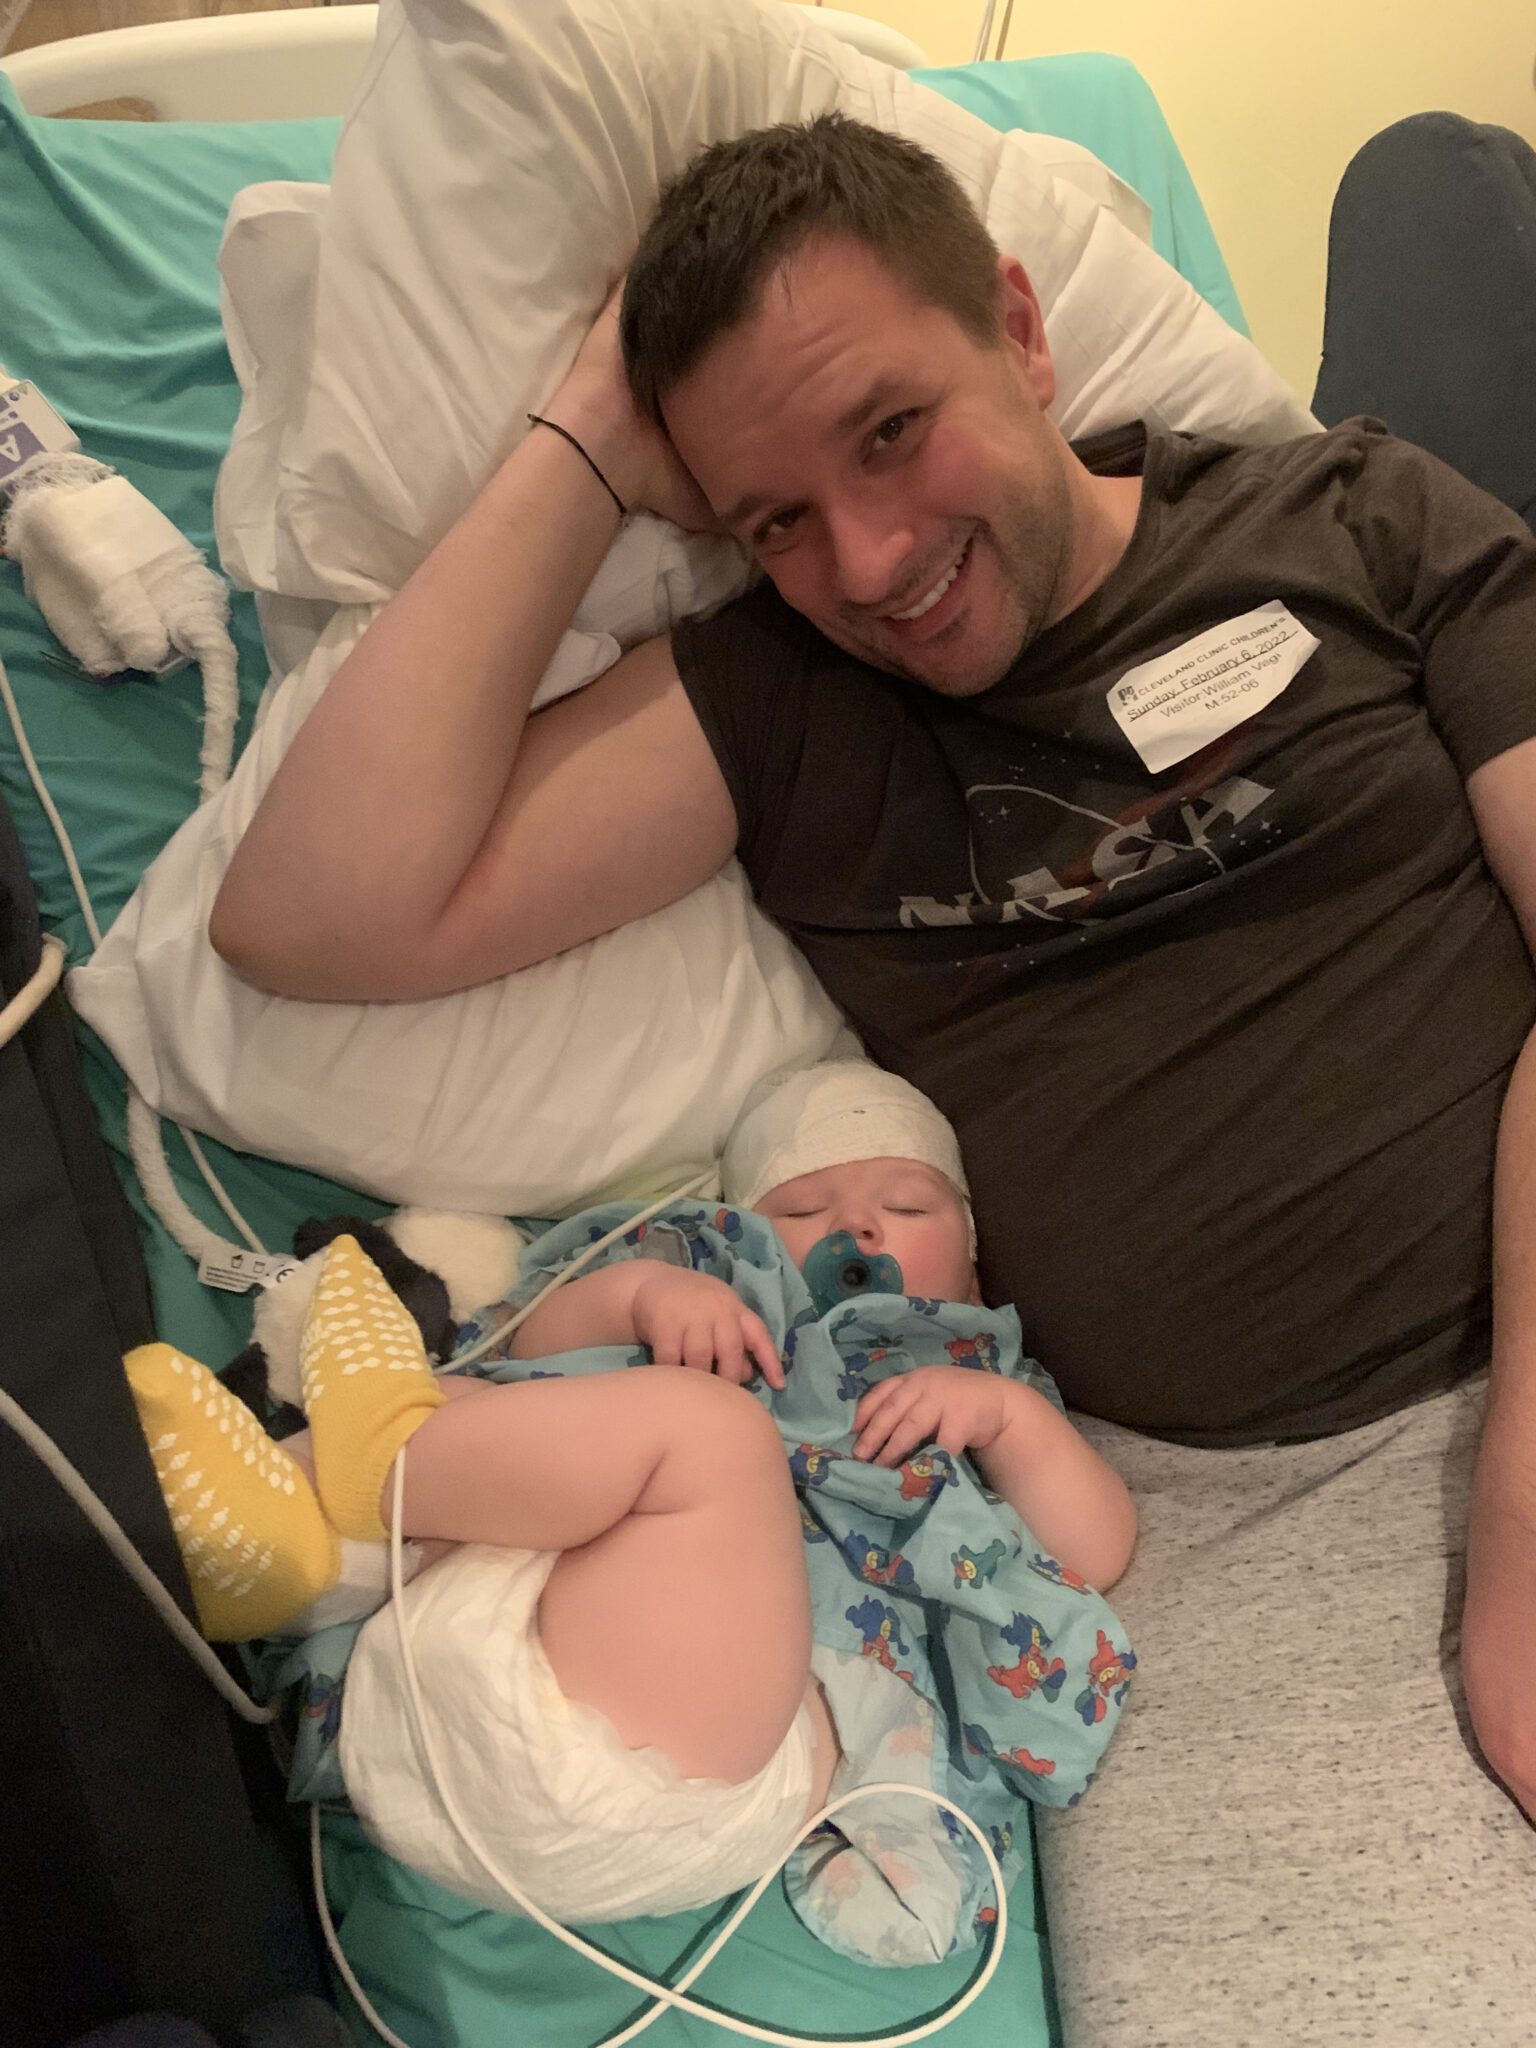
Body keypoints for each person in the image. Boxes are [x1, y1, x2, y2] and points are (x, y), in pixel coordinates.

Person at [207, 111, 1536, 2039]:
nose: (873, 557)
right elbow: (303, 919)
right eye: (770, 514)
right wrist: (588, 438)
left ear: (1019, 323)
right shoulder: (783, 706)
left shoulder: (1357, 524)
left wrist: (1521, 1513)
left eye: (890, 428)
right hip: (1208, 1531)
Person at [122, 1061, 1136, 1952]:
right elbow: (530, 1341)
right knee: (508, 1404)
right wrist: (641, 1298)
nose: (857, 1224)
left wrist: (1011, 1419)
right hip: (444, 1664)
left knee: (707, 1435)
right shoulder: (705, 1288)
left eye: (909, 1205)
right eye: (802, 1207)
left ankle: (367, 1457)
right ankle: (289, 1541)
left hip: (667, 1768)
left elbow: (1092, 1550)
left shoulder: (986, 1386)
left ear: (973, 1259)